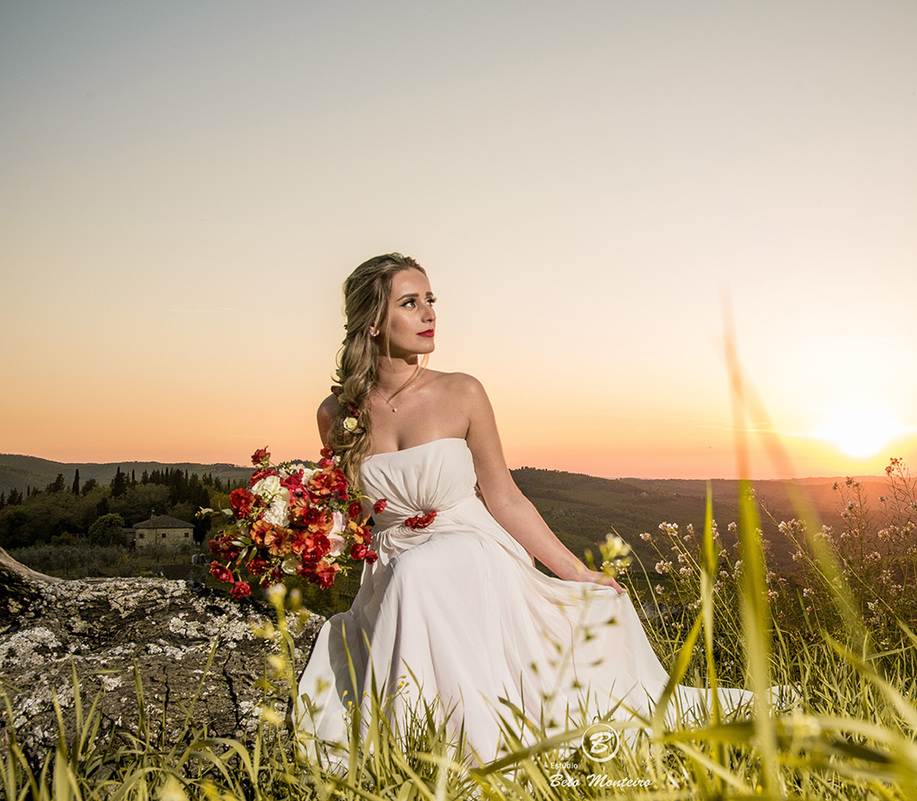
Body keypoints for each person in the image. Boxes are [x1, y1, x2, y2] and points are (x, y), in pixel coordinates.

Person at [295, 253, 760, 767]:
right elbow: (349, 513)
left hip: (470, 547)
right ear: (375, 320)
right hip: (392, 561)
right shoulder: (336, 414)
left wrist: (577, 571)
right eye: (411, 303)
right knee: (409, 574)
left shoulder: (462, 391)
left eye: (431, 300)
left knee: (420, 572)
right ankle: (425, 750)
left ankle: (465, 755)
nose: (429, 314)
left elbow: (505, 497)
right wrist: (299, 534)